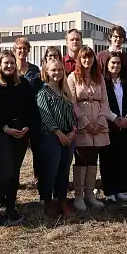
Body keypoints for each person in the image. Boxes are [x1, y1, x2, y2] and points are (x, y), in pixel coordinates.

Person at [0, 49, 36, 226]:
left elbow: (31, 107)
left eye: (12, 63)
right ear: (0, 65)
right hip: (2, 133)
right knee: (3, 173)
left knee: (14, 172)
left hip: (21, 133)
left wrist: (27, 125)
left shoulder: (24, 84)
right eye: (6, 63)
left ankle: (11, 207)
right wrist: (6, 128)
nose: (9, 66)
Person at [67, 46, 111, 212]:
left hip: (98, 124)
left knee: (93, 158)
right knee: (81, 158)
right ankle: (78, 196)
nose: (87, 61)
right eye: (84, 58)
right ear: (79, 59)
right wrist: (85, 122)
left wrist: (100, 121)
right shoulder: (72, 78)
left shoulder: (99, 78)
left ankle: (89, 195)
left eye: (90, 58)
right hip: (82, 124)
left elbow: (105, 102)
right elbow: (72, 102)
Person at [35, 59, 77, 219]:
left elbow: (72, 113)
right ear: (47, 72)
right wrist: (59, 134)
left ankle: (62, 200)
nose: (57, 73)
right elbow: (46, 117)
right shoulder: (43, 93)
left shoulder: (65, 91)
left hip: (68, 136)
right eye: (53, 70)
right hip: (51, 137)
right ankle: (47, 200)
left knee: (64, 170)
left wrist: (73, 131)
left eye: (60, 70)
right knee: (50, 171)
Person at [103, 53, 127, 202]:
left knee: (123, 159)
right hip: (109, 126)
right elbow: (102, 104)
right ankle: (109, 191)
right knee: (108, 159)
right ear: (107, 65)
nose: (115, 65)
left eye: (118, 63)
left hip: (125, 126)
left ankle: (123, 189)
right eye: (113, 63)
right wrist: (115, 119)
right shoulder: (102, 82)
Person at [15, 36, 43, 183]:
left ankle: (38, 177)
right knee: (17, 151)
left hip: (34, 115)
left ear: (28, 51)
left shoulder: (34, 70)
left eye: (25, 48)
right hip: (18, 116)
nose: (22, 51)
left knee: (37, 150)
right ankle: (15, 179)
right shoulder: (11, 69)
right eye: (19, 48)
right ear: (15, 50)